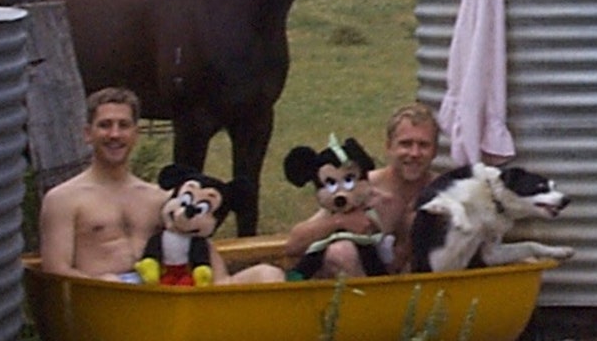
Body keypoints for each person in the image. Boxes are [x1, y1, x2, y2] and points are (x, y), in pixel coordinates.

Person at [38, 86, 281, 284]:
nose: (114, 134)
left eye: (123, 125)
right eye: (105, 125)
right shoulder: (64, 199)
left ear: (135, 133)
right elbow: (56, 270)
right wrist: (106, 286)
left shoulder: (157, 198)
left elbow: (196, 238)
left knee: (268, 275)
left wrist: (220, 281)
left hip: (165, 296)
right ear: (87, 134)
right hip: (106, 297)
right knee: (113, 284)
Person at [283, 102, 440, 277]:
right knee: (340, 252)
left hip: (420, 286)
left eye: (423, 145)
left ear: (435, 151)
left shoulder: (444, 191)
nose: (414, 153)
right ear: (389, 146)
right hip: (360, 284)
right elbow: (293, 244)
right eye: (406, 144)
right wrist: (339, 222)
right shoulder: (361, 187)